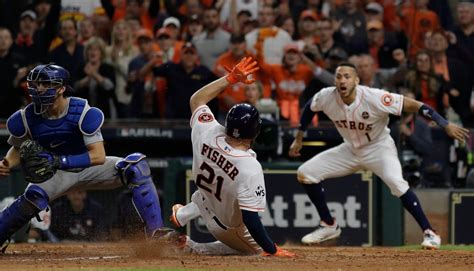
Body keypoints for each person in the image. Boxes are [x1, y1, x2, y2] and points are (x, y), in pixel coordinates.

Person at [289, 62, 469, 250]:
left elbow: (415, 106)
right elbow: (311, 106)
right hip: (350, 149)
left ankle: (430, 232)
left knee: (396, 183)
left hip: (378, 147)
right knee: (305, 173)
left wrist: (444, 123)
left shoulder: (375, 97)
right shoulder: (327, 96)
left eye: (347, 76)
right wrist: (299, 137)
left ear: (357, 81)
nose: (342, 80)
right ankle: (328, 225)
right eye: (339, 76)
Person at [0, 64, 169, 253]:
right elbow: (17, 147)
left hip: (86, 166)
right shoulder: (26, 117)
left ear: (61, 88)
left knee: (136, 166)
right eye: (36, 84)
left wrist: (60, 160)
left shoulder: (80, 111)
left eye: (45, 83)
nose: (38, 88)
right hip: (55, 173)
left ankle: (156, 234)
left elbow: (98, 155)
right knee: (32, 198)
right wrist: (7, 163)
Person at [169, 57, 294, 257]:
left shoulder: (207, 130)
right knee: (255, 253)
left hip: (205, 201)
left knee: (214, 191)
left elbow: (196, 99)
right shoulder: (249, 166)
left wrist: (230, 78)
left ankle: (185, 213)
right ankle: (192, 246)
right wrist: (271, 249)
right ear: (255, 132)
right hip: (227, 226)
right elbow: (251, 220)